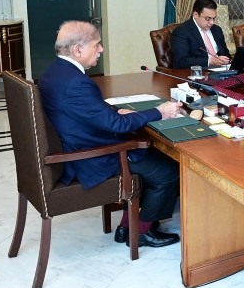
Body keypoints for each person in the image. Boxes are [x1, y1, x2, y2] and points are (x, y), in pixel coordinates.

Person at [38, 21, 182, 248]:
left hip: (79, 141)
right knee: (168, 170)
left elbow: (83, 110)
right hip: (90, 156)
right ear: (77, 50)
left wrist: (113, 110)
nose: (101, 49)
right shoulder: (76, 82)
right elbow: (118, 126)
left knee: (149, 153)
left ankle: (126, 227)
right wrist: (159, 112)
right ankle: (142, 231)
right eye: (97, 45)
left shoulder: (54, 73)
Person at [170, 0, 232, 68]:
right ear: (196, 15)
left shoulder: (217, 30)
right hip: (199, 73)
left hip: (222, 70)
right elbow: (180, 61)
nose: (212, 22)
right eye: (208, 19)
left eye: (214, 18)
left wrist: (226, 60)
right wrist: (209, 61)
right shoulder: (181, 31)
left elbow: (226, 54)